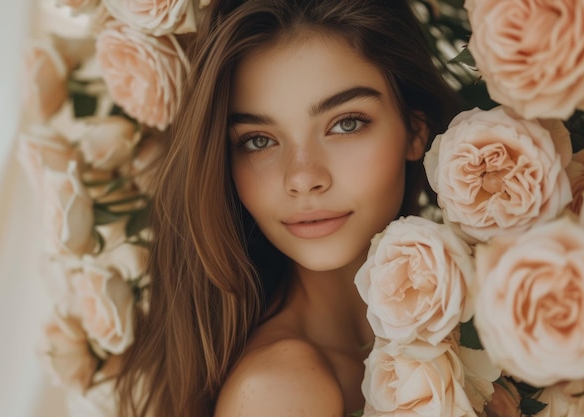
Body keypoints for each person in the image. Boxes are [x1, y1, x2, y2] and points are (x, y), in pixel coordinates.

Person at [116, 0, 458, 416]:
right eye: (258, 140)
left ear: (415, 130)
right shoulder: (280, 391)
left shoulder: (468, 315)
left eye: (345, 123)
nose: (302, 177)